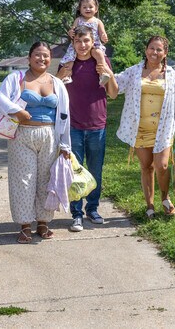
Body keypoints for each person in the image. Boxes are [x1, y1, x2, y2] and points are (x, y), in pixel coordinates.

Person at [0, 42, 71, 243]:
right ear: (29, 57)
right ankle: (25, 225)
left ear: (50, 59)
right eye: (37, 55)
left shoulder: (57, 83)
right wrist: (17, 111)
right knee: (23, 180)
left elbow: (65, 115)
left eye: (46, 56)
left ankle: (43, 222)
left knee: (46, 179)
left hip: (50, 135)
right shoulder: (16, 78)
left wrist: (65, 145)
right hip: (22, 134)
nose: (41, 59)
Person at [110, 35, 175, 218]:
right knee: (146, 166)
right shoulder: (134, 71)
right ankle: (150, 205)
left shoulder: (171, 74)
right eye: (152, 48)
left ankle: (165, 197)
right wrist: (102, 67)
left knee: (161, 165)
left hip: (162, 128)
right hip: (138, 128)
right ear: (146, 50)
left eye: (159, 49)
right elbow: (115, 84)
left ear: (165, 53)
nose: (155, 52)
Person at [57, 25, 117, 232]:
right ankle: (76, 214)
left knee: (95, 171)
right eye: (78, 42)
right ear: (73, 43)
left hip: (97, 125)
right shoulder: (67, 63)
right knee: (74, 172)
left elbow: (114, 93)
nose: (82, 46)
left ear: (93, 43)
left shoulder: (101, 62)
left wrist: (107, 71)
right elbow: (54, 92)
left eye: (86, 41)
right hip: (72, 125)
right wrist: (63, 73)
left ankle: (93, 209)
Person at [60, 0, 110, 86]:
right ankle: (67, 75)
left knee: (99, 54)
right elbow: (73, 30)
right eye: (85, 7)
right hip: (79, 45)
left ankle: (102, 73)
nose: (88, 9)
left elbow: (103, 33)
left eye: (90, 7)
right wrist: (71, 32)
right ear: (80, 9)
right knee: (70, 58)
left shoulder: (98, 21)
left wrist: (104, 36)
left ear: (96, 9)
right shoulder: (78, 20)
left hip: (94, 44)